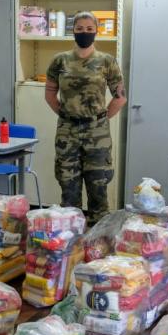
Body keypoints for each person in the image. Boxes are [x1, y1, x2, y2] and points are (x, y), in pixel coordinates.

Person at [45, 12, 126, 224]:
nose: (84, 33)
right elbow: (50, 94)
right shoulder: (59, 61)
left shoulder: (107, 61)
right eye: (80, 29)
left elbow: (120, 97)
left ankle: (98, 243)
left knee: (98, 187)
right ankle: (70, 241)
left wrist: (100, 119)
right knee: (68, 187)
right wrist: (68, 115)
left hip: (97, 133)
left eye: (89, 29)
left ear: (96, 31)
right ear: (73, 30)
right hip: (67, 132)